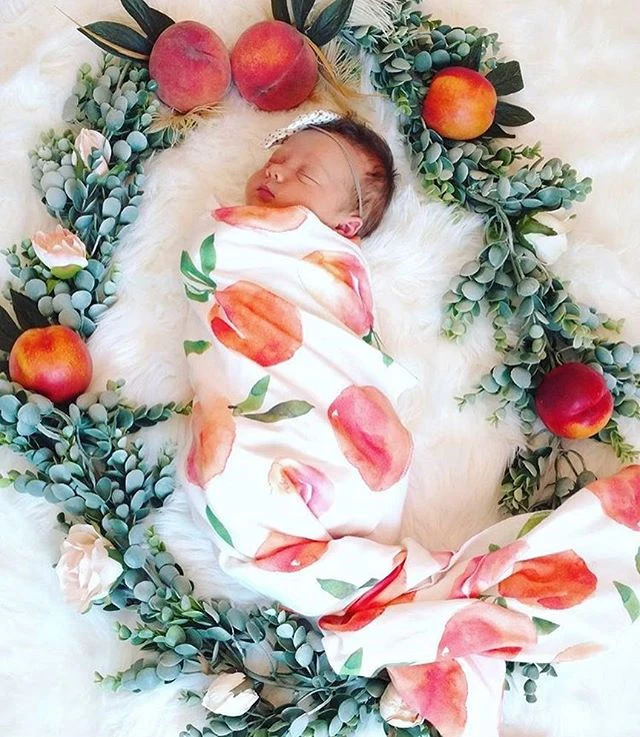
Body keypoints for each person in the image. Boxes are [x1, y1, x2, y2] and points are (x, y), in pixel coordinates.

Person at [181, 110, 640, 737]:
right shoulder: (246, 242)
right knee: (237, 463)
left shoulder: (326, 260)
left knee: (233, 477)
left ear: (345, 226)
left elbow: (335, 340)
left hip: (340, 435)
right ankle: (388, 600)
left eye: (304, 174)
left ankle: (371, 587)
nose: (277, 172)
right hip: (296, 412)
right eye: (276, 161)